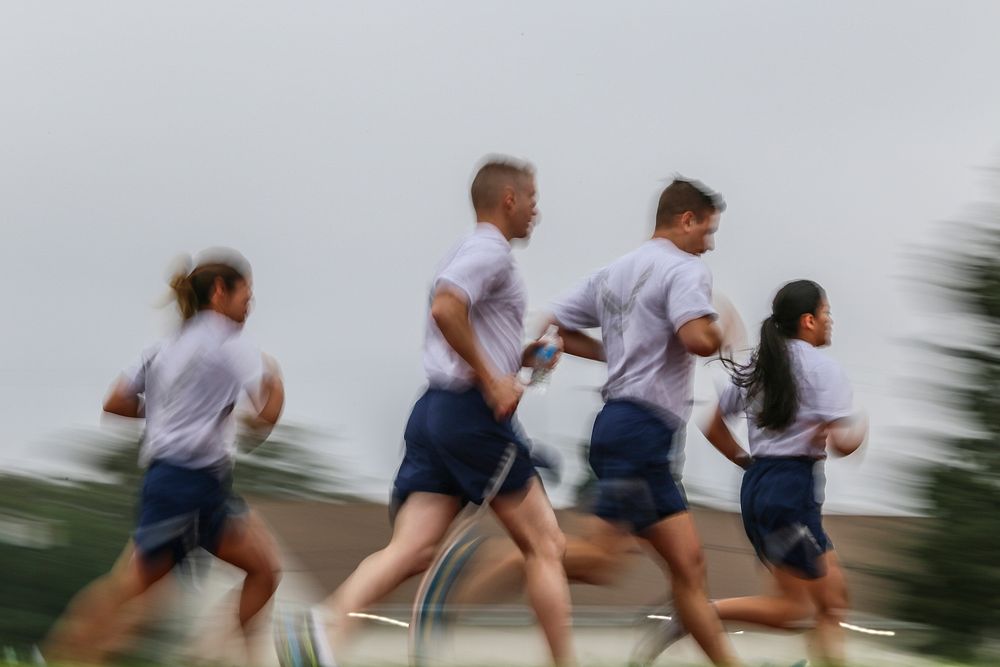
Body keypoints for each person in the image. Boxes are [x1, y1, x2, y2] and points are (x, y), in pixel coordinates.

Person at [307, 156, 575, 667]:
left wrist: (516, 360)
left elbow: (457, 320)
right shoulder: (488, 250)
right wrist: (493, 379)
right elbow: (446, 308)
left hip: (434, 412)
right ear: (510, 199)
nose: (538, 214)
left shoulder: (467, 249)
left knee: (412, 550)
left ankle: (325, 629)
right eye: (534, 202)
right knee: (547, 543)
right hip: (469, 416)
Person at [44, 249, 285, 665]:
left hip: (189, 483)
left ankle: (226, 656)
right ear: (219, 292)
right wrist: (275, 382)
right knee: (131, 589)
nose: (250, 306)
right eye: (246, 295)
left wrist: (168, 411)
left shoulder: (162, 348)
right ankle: (62, 656)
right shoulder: (230, 343)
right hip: (187, 488)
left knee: (262, 570)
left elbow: (116, 402)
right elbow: (264, 417)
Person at [543, 177, 742, 666]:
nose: (709, 244)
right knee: (599, 561)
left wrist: (613, 353)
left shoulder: (614, 272)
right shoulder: (684, 270)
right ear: (686, 219)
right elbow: (697, 338)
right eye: (707, 231)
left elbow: (555, 326)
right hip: (643, 432)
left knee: (689, 567)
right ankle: (516, 556)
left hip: (625, 425)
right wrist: (723, 330)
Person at [633, 279, 867, 667]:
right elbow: (843, 445)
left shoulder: (760, 366)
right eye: (826, 313)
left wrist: (749, 462)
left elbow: (712, 426)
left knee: (833, 600)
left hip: (762, 487)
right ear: (808, 320)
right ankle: (696, 615)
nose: (830, 321)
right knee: (795, 609)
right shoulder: (824, 370)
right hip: (791, 492)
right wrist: (857, 431)